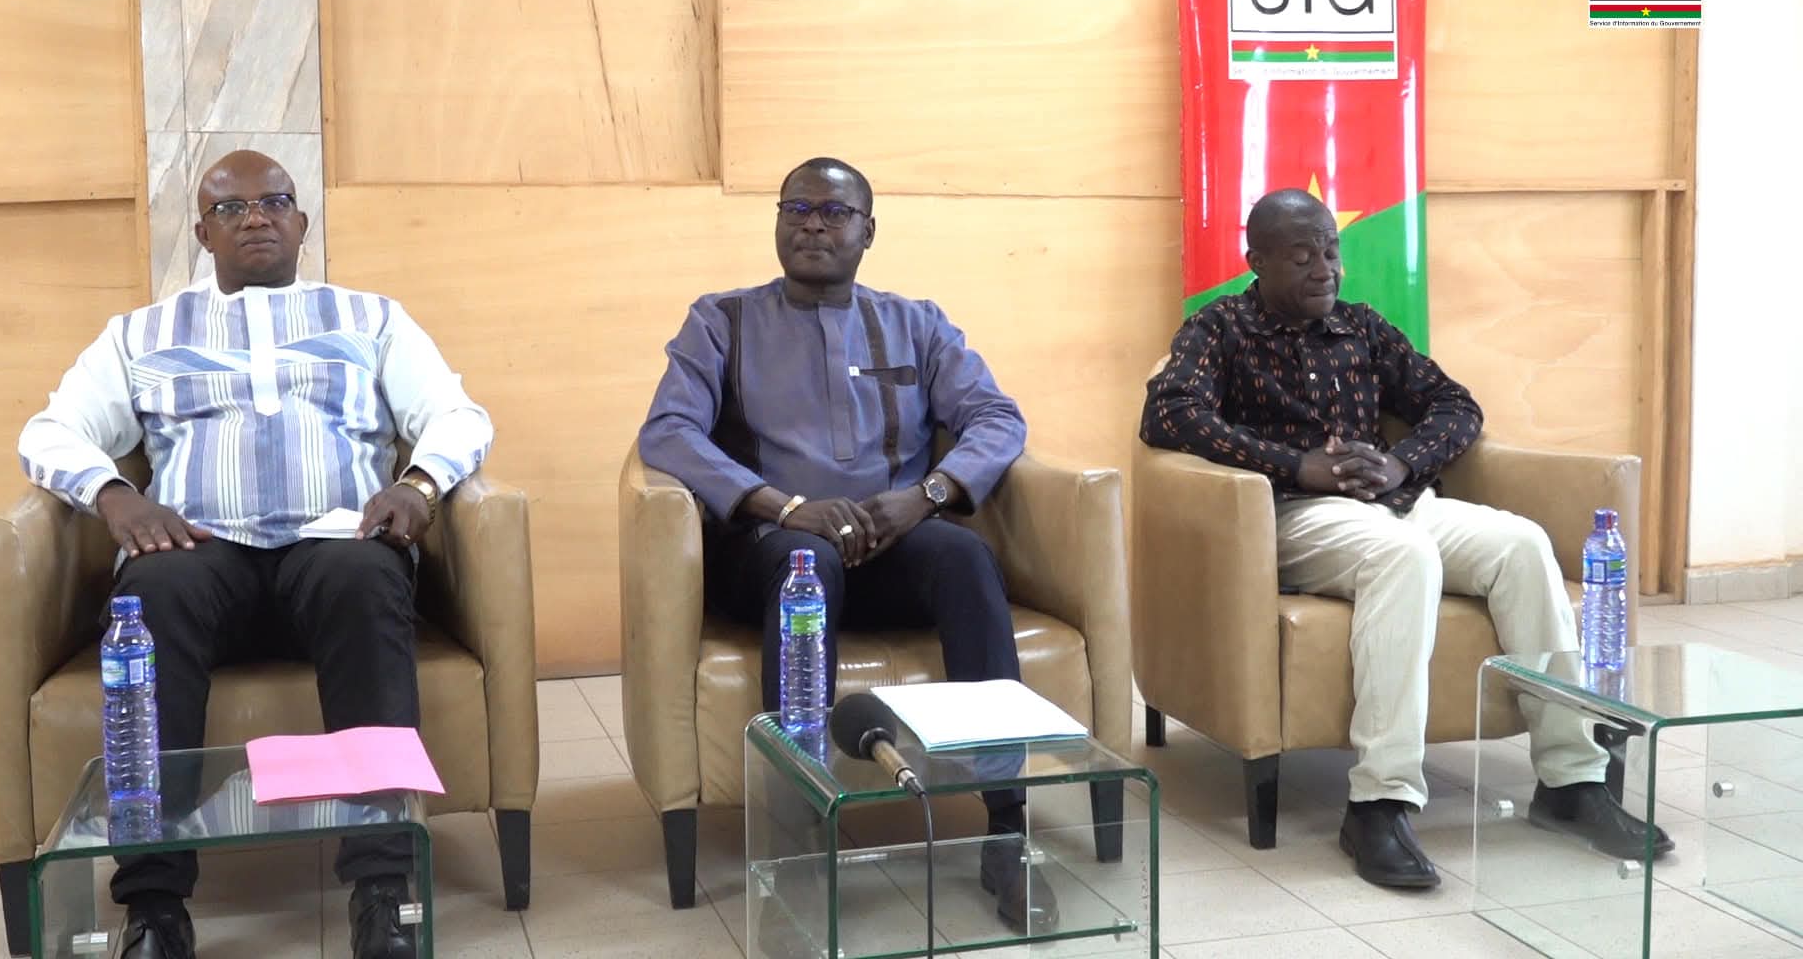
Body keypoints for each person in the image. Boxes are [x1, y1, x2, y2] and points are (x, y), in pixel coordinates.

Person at [18, 151, 493, 959]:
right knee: (153, 596)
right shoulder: (140, 333)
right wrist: (115, 495)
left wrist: (418, 485)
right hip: (200, 550)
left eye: (274, 202)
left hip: (333, 543)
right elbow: (49, 432)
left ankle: (384, 891)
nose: (256, 218)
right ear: (203, 234)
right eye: (230, 209)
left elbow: (459, 415)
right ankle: (154, 905)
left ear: (302, 222)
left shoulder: (371, 319)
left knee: (365, 575)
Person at [1139, 187, 1668, 889]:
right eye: (1302, 257)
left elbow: (1455, 403)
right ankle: (1378, 804)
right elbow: (1168, 414)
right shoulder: (1220, 329)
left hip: (1396, 500)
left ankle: (1571, 781)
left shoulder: (1361, 327)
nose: (1325, 268)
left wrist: (1402, 462)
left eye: (1331, 251)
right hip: (1293, 514)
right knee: (1403, 556)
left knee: (1521, 545)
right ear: (1256, 261)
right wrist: (1296, 464)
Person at [637, 157, 1055, 934]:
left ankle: (1007, 827)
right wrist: (785, 507)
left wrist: (925, 497)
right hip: (768, 548)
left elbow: (998, 418)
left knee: (964, 557)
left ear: (869, 231)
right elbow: (667, 431)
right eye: (796, 208)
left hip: (891, 542)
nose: (812, 224)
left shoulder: (917, 322)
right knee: (810, 562)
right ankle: (798, 836)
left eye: (834, 212)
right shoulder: (721, 321)